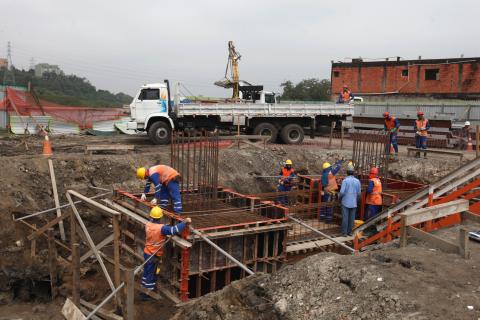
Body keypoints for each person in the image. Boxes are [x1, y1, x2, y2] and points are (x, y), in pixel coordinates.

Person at [141, 206, 191, 299]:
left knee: (147, 272)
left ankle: (144, 289)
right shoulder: (161, 229)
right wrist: (184, 222)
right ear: (160, 217)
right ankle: (146, 294)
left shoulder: (148, 225)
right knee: (151, 274)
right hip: (154, 255)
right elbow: (174, 230)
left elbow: (161, 228)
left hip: (147, 252)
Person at [338, 164, 361, 236]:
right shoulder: (357, 181)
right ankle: (350, 232)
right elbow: (359, 193)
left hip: (345, 202)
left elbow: (341, 192)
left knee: (345, 218)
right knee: (352, 218)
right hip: (354, 202)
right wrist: (356, 200)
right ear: (353, 172)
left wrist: (339, 198)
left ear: (347, 172)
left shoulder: (345, 181)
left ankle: (344, 233)